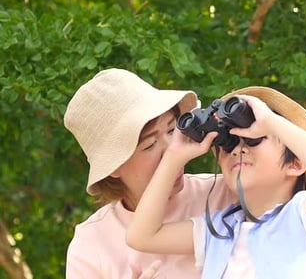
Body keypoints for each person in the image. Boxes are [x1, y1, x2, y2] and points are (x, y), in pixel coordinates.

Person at [126, 86, 306, 279]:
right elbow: (142, 236)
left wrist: (271, 122)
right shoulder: (220, 230)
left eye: (254, 139)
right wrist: (174, 157)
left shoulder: (302, 216)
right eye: (228, 143)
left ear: (295, 163)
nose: (238, 150)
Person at [63, 68, 235, 279]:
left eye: (173, 131)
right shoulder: (91, 244)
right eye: (150, 144)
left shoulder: (223, 192)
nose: (173, 150)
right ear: (113, 167)